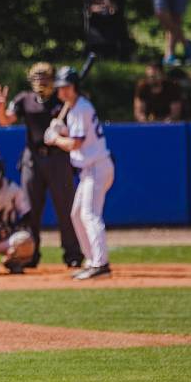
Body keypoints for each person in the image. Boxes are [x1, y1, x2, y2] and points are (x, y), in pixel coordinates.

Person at [0, 62, 83, 269]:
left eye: (45, 76)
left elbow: (77, 126)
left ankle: (73, 254)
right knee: (29, 209)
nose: (41, 81)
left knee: (66, 208)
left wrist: (62, 130)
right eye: (36, 77)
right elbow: (6, 120)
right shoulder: (25, 99)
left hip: (59, 158)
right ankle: (29, 253)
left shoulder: (63, 100)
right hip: (32, 159)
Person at [43, 67, 115, 280]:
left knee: (89, 214)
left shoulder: (80, 108)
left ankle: (101, 264)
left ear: (75, 87)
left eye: (66, 87)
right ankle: (92, 260)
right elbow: (76, 136)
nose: (62, 92)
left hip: (96, 166)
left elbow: (75, 144)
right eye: (60, 88)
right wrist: (60, 129)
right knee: (76, 214)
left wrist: (55, 139)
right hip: (89, 169)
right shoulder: (75, 109)